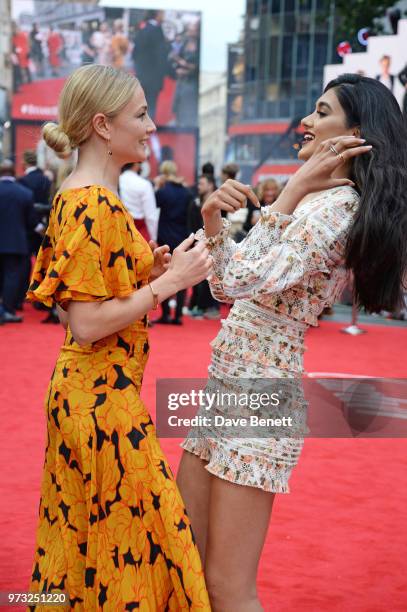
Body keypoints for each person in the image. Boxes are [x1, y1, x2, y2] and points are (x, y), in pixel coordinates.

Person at [176, 74, 407, 611]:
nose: (305, 121)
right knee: (185, 556)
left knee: (228, 588)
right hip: (229, 386)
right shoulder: (317, 201)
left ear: (355, 133)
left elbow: (235, 283)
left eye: (321, 112)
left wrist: (296, 184)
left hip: (262, 393)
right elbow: (223, 284)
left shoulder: (337, 207)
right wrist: (213, 218)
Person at [26, 64, 211, 609]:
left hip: (95, 399)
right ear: (103, 126)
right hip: (101, 405)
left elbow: (86, 301)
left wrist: (148, 272)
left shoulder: (81, 195)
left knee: (91, 550)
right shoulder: (90, 201)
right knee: (143, 550)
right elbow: (83, 324)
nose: (152, 126)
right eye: (141, 114)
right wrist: (171, 284)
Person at [155, 161, 191, 325]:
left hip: (165, 237)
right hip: (182, 237)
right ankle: (177, 315)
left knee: (163, 273)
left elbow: (153, 210)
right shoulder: (186, 192)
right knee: (181, 274)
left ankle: (165, 314)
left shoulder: (162, 192)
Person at [0, 159, 36, 324]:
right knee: (11, 276)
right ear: (14, 172)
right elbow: (31, 222)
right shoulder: (24, 193)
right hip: (15, 242)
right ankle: (7, 310)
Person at [17, 149, 52, 318]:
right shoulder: (45, 179)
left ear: (24, 163)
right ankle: (43, 297)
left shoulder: (22, 181)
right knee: (44, 262)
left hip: (25, 227)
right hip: (44, 226)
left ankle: (23, 295)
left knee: (24, 264)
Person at [188, 174, 221, 320]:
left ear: (210, 185)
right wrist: (194, 240)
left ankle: (212, 307)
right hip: (197, 242)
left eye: (202, 184)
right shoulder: (195, 202)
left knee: (213, 275)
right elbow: (190, 223)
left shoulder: (218, 202)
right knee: (198, 276)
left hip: (214, 243)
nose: (198, 187)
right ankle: (198, 306)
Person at [132, 11, 169, 120]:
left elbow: (135, 53)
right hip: (153, 74)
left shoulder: (142, 29)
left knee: (141, 101)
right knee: (151, 102)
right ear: (158, 14)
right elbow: (161, 55)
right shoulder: (157, 30)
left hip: (141, 73)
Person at [119, 161, 158, 242]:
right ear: (136, 164)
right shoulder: (144, 184)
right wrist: (153, 239)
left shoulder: (116, 181)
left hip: (119, 233)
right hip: (139, 233)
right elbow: (151, 216)